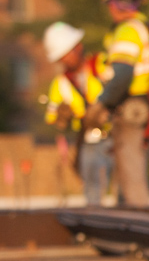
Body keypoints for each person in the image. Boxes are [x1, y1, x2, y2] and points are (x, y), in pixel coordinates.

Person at [94, 0, 149, 207]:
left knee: (131, 172)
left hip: (131, 108)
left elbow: (122, 75)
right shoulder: (147, 28)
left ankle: (141, 220)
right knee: (133, 171)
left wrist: (102, 103)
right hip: (147, 106)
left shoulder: (127, 31)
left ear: (114, 5)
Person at [42, 22, 112, 207]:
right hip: (88, 141)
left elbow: (120, 85)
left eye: (67, 53)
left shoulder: (100, 64)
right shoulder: (60, 83)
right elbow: (52, 118)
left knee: (122, 188)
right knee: (92, 190)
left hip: (115, 136)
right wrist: (62, 116)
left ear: (78, 47)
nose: (65, 60)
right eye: (61, 57)